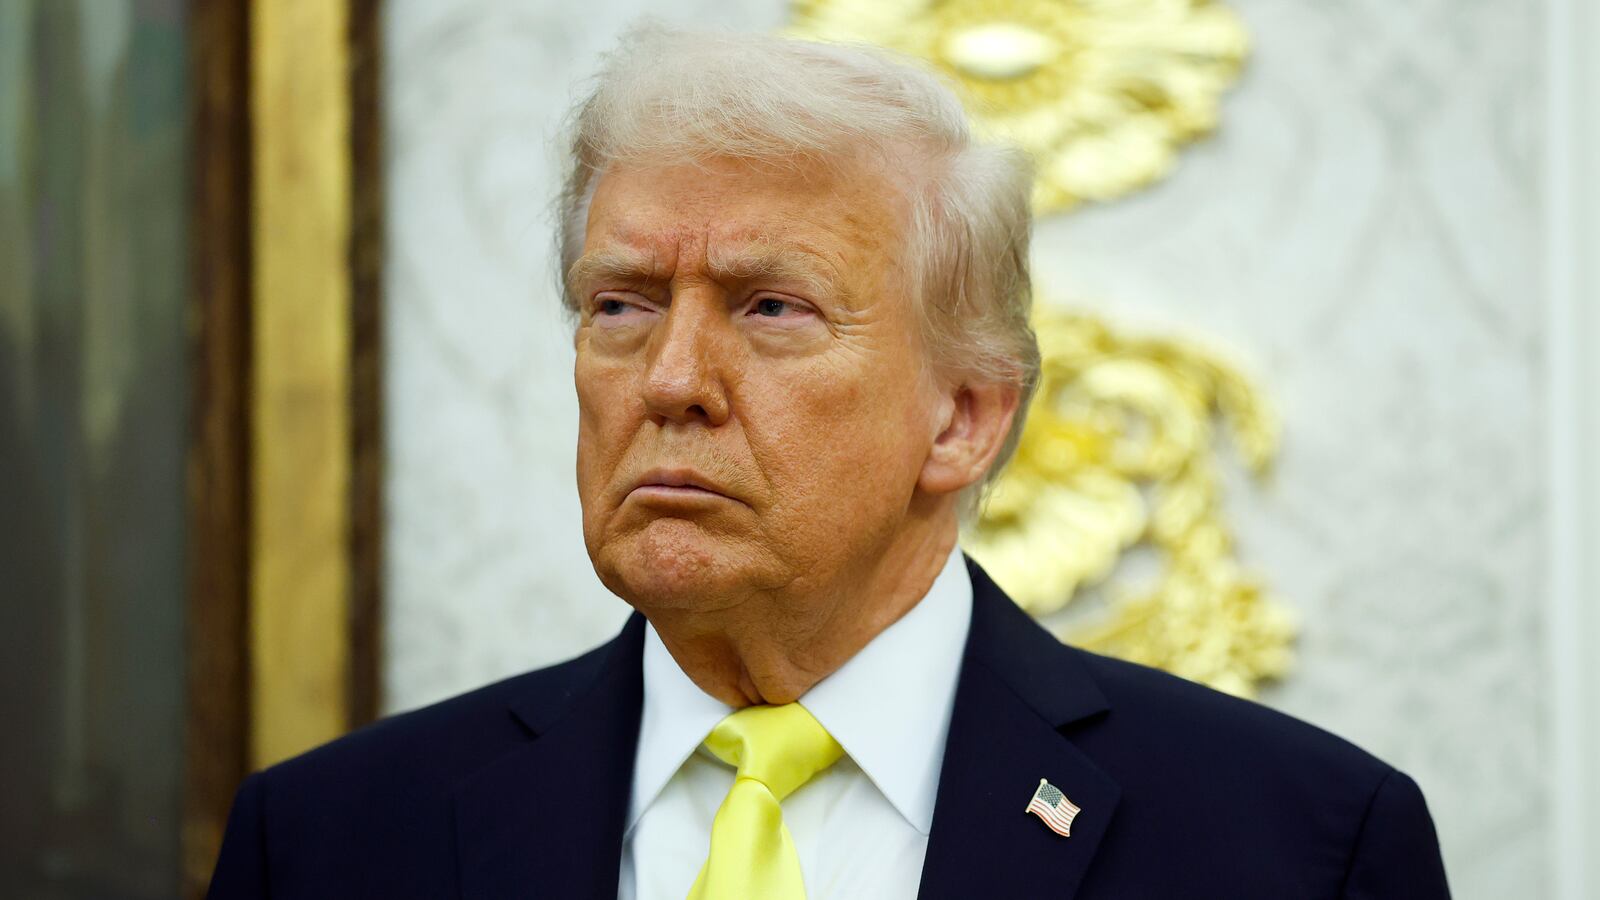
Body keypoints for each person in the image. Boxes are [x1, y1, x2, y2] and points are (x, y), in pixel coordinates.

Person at [207, 25, 1450, 899]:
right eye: (623, 306)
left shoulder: (1293, 846)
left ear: (961, 416)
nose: (672, 381)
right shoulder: (332, 839)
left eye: (770, 309)